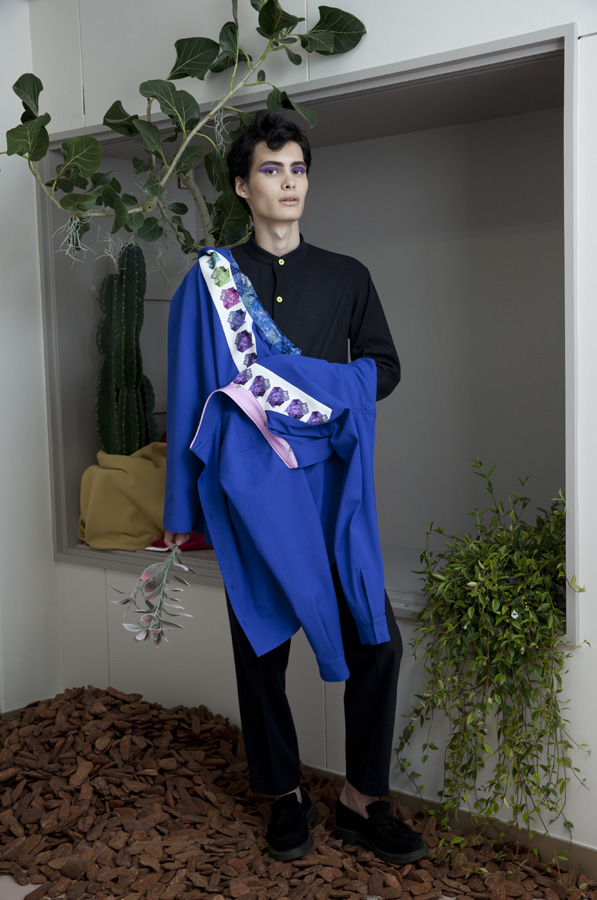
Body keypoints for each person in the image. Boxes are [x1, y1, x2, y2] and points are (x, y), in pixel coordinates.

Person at [164, 110, 427, 865]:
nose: (288, 183)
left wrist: (300, 379)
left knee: (377, 641)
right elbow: (187, 393)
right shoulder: (209, 282)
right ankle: (284, 796)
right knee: (261, 649)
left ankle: (361, 801)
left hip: (330, 485)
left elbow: (383, 367)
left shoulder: (348, 276)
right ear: (241, 187)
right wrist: (181, 508)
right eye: (271, 170)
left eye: (298, 169)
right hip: (250, 489)